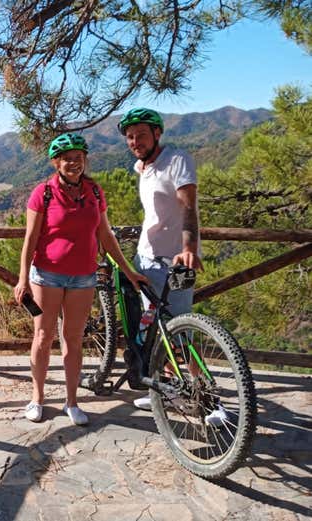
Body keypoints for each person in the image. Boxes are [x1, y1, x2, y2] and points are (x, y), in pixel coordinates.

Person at [14, 133, 147, 425]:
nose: (74, 163)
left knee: (73, 340)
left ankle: (71, 402)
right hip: (47, 275)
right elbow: (31, 239)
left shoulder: (95, 192)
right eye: (67, 159)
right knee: (43, 336)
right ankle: (37, 398)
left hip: (84, 277)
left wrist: (128, 271)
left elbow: (106, 236)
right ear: (56, 162)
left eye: (79, 157)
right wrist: (23, 278)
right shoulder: (43, 193)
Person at [118, 108, 226, 426]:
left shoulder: (177, 160)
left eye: (141, 134)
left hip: (177, 263)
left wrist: (189, 249)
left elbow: (188, 207)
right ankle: (168, 390)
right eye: (130, 136)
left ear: (157, 134)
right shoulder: (141, 167)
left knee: (181, 330)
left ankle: (209, 399)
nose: (135, 141)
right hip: (145, 260)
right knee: (157, 330)